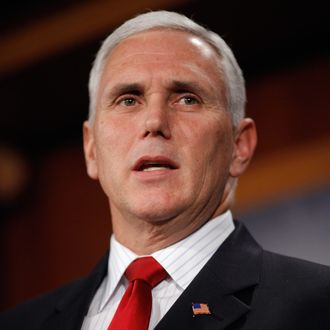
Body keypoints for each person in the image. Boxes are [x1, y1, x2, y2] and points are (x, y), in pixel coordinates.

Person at [1, 10, 330, 330]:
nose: (154, 122)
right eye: (128, 100)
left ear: (239, 146)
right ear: (91, 149)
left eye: (187, 99)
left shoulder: (318, 307)